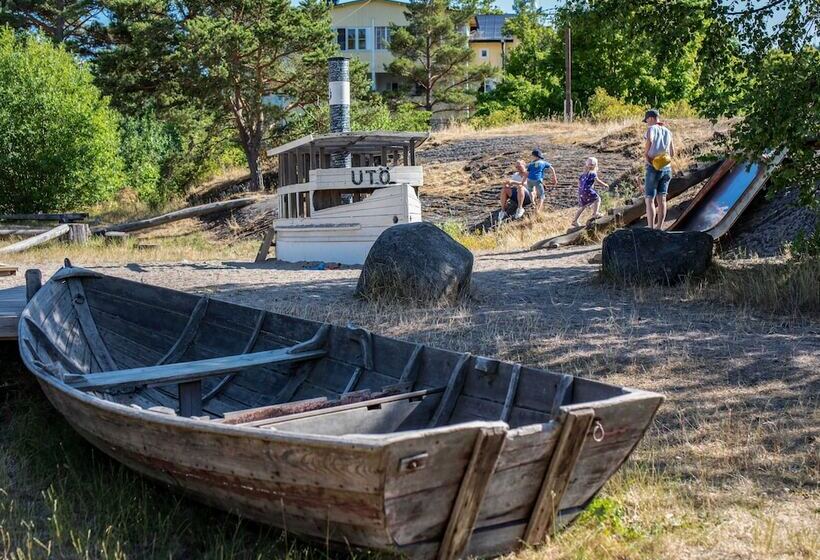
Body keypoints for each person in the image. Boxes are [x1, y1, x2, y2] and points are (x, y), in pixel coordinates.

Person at [643, 109, 675, 229]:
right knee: (662, 199)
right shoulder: (668, 131)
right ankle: (660, 227)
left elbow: (650, 139)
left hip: (653, 167)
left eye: (646, 120)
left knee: (649, 199)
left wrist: (646, 154)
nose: (647, 123)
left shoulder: (651, 129)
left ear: (650, 118)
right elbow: (672, 152)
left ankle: (651, 228)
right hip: (666, 168)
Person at [571, 157, 608, 227]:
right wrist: (605, 185)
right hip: (587, 190)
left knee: (583, 206)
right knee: (597, 199)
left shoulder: (582, 175)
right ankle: (595, 213)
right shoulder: (593, 173)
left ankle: (575, 221)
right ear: (595, 165)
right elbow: (598, 181)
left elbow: (579, 184)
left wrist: (581, 192)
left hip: (581, 192)